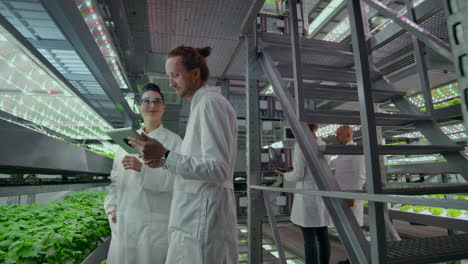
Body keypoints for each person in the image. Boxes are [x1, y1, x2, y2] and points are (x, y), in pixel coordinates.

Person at [128, 46, 238, 264]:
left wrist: (167, 154)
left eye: (176, 75)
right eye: (169, 76)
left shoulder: (209, 104)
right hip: (195, 218)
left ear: (195, 73)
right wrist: (164, 161)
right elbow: (197, 165)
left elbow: (218, 169)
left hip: (203, 220)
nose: (171, 83)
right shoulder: (200, 107)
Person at [103, 83, 182, 264]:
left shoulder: (174, 141)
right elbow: (115, 180)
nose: (151, 106)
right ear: (139, 107)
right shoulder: (127, 138)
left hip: (156, 223)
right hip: (126, 220)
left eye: (157, 102)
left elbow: (177, 182)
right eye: (146, 101)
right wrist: (111, 207)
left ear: (163, 108)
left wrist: (142, 169)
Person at [275, 124, 331, 264]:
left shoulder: (301, 145)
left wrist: (286, 175)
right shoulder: (323, 144)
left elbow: (298, 175)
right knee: (323, 235)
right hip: (321, 193)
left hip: (307, 195)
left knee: (309, 238)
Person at [332, 125, 365, 264]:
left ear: (348, 135)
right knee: (347, 230)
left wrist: (353, 195)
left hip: (351, 197)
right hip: (343, 195)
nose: (336, 137)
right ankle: (351, 258)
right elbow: (331, 164)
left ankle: (358, 259)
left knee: (354, 230)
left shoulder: (355, 151)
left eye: (339, 134)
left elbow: (361, 175)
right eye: (336, 134)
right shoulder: (342, 152)